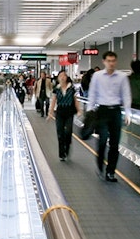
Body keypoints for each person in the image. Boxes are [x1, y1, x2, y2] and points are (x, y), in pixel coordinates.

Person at [85, 51, 130, 182]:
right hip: (102, 111)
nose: (111, 63)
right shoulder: (97, 76)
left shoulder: (122, 77)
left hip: (115, 111)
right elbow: (92, 94)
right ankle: (100, 166)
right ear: (104, 62)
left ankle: (110, 172)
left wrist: (128, 113)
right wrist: (90, 112)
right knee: (103, 141)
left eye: (113, 61)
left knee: (115, 144)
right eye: (109, 61)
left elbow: (126, 95)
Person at [48, 70, 80, 161]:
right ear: (58, 78)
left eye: (64, 75)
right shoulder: (56, 89)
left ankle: (67, 147)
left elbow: (75, 100)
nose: (62, 77)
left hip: (69, 112)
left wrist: (79, 110)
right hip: (60, 112)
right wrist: (50, 112)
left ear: (66, 77)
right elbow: (54, 101)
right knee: (60, 133)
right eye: (60, 76)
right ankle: (62, 154)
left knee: (68, 132)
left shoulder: (72, 88)